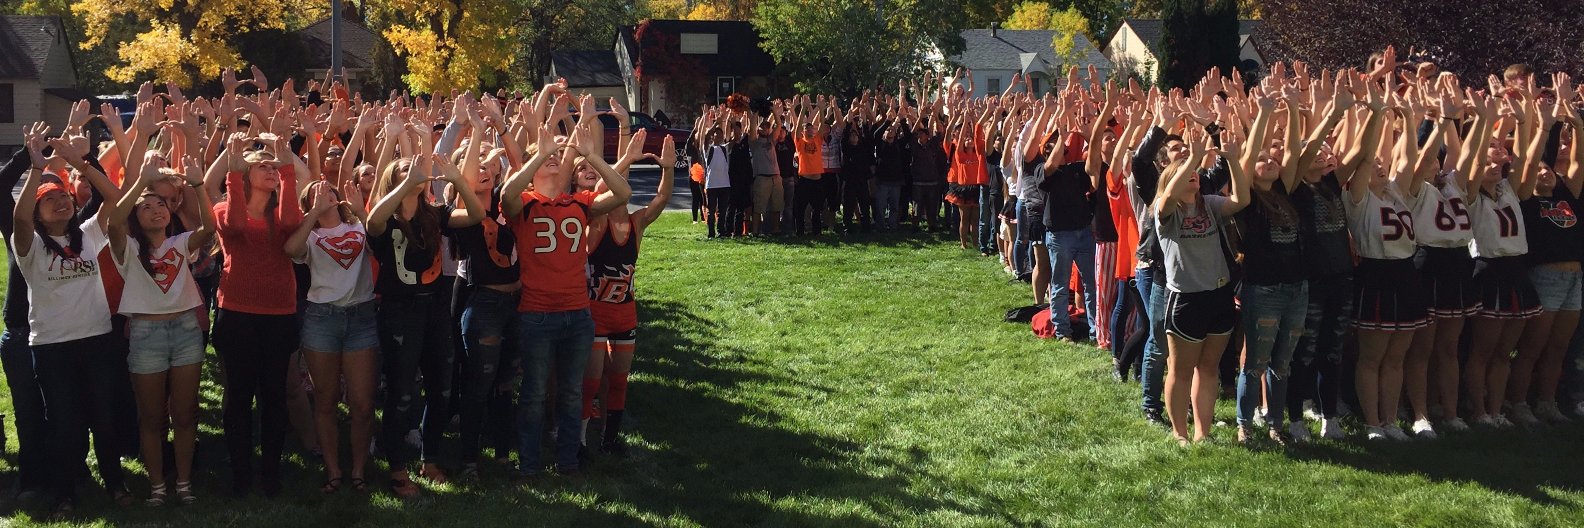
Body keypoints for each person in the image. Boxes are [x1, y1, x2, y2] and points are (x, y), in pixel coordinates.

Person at [501, 92, 633, 477]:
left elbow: (623, 193)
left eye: (559, 155)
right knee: (534, 394)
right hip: (537, 314)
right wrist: (540, 155)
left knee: (572, 393)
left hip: (577, 313)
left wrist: (592, 156)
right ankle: (528, 466)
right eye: (549, 157)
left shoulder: (579, 202)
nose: (558, 158)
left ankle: (567, 463)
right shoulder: (525, 202)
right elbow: (507, 195)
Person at [364, 114, 486, 496]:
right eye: (405, 171)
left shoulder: (435, 215)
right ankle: (397, 469)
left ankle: (429, 458)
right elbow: (372, 220)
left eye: (417, 172)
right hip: (400, 313)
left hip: (435, 310)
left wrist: (457, 183)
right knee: (401, 392)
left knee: (441, 388)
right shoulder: (387, 221)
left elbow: (477, 215)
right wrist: (405, 181)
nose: (416, 174)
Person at [11, 123, 127, 514]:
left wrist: (84, 163)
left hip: (96, 339)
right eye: (51, 199)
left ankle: (116, 486)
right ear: (40, 213)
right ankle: (64, 494)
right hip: (53, 346)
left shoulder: (89, 235)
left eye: (64, 196)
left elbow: (115, 197)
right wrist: (34, 169)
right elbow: (21, 218)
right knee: (64, 424)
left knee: (105, 418)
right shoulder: (29, 246)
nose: (61, 202)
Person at [108, 149, 214, 505]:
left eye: (161, 205)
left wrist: (198, 183)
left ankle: (183, 485)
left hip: (185, 332)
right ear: (137, 218)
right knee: (152, 418)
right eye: (147, 207)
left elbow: (210, 228)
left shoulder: (180, 243)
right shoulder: (127, 249)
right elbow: (112, 222)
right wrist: (140, 180)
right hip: (145, 336)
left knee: (185, 414)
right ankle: (157, 487)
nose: (157, 210)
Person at [208, 131, 305, 498]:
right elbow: (233, 225)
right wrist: (232, 174)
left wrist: (287, 167)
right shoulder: (224, 207)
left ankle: (271, 474)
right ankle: (240, 474)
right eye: (261, 166)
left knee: (274, 395)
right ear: (245, 175)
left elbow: (293, 224)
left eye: (271, 166)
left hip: (279, 313)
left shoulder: (282, 210)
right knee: (239, 395)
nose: (270, 170)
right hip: (238, 314)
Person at [1155, 124, 1251, 444]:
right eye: (1184, 171)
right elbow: (1168, 196)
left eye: (1194, 171)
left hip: (1219, 294)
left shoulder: (1209, 204)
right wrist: (1193, 157)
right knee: (1181, 371)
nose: (1192, 173)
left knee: (1208, 369)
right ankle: (1179, 433)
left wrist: (1234, 160)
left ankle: (1202, 433)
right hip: (1186, 300)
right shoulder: (1166, 212)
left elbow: (1241, 199)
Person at [583, 135, 678, 456]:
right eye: (616, 188)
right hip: (596, 312)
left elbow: (662, 198)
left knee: (620, 379)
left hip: (624, 313)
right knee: (592, 380)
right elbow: (596, 193)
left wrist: (668, 167)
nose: (621, 193)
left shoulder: (637, 223)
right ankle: (581, 440)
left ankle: (610, 438)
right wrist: (626, 159)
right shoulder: (596, 222)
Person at [285, 177, 377, 494]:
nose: (323, 192)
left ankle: (359, 470)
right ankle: (334, 471)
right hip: (321, 319)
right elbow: (290, 250)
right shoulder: (309, 236)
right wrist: (312, 214)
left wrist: (361, 211)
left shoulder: (358, 228)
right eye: (315, 192)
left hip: (361, 317)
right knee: (325, 399)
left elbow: (379, 237)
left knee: (363, 403)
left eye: (328, 190)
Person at [1511, 74, 1584, 426]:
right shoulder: (1526, 200)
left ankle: (1547, 402)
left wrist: (1576, 122)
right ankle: (1520, 404)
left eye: (1548, 168)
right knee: (1533, 347)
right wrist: (1541, 124)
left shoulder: (1566, 195)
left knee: (1558, 348)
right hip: (1545, 275)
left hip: (1574, 278)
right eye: (1538, 169)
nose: (1545, 172)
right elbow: (1530, 160)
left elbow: (1577, 163)